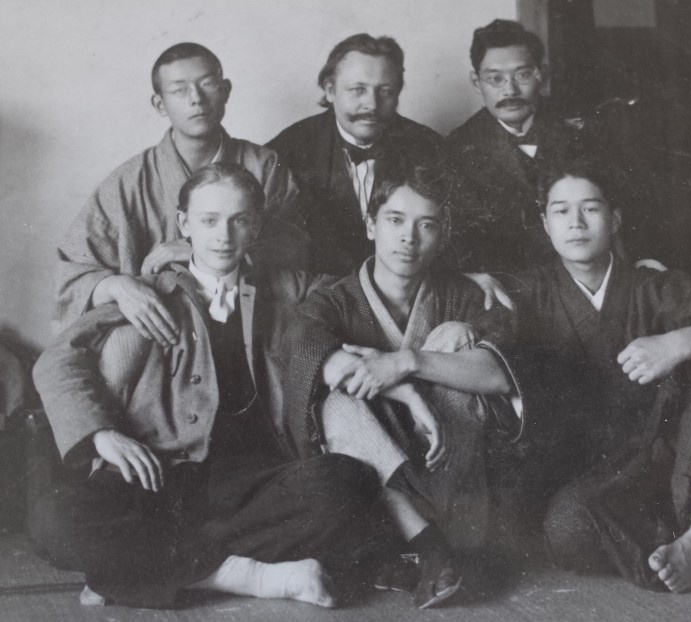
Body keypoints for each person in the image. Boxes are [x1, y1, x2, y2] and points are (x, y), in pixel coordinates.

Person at [31, 164, 379, 609]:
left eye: (239, 220)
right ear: (184, 224)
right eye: (209, 220)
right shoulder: (151, 293)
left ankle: (133, 572)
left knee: (347, 484)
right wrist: (101, 435)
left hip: (252, 481)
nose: (223, 236)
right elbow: (57, 358)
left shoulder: (287, 289)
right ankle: (246, 575)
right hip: (159, 474)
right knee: (52, 520)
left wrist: (461, 286)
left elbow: (363, 294)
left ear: (257, 227)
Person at [501, 160, 691, 593]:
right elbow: (488, 336)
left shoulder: (652, 286)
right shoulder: (527, 292)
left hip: (679, 449)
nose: (576, 223)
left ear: (615, 219)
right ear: (545, 223)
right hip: (604, 471)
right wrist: (461, 323)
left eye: (591, 208)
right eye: (561, 210)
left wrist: (679, 342)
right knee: (566, 527)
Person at [280, 164, 518, 608]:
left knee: (457, 343)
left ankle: (431, 546)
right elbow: (306, 349)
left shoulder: (464, 295)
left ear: (442, 235)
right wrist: (405, 393)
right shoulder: (335, 300)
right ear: (371, 225)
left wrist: (408, 362)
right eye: (394, 220)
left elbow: (499, 373)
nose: (409, 238)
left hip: (452, 481)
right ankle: (428, 547)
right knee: (334, 399)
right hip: (377, 490)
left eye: (426, 225)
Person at [56, 42, 305, 343]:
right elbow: (72, 275)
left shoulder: (265, 166)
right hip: (160, 339)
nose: (196, 99)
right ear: (160, 104)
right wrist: (116, 287)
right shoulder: (128, 182)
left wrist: (200, 252)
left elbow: (296, 251)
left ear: (226, 91)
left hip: (254, 330)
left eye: (207, 84)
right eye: (179, 90)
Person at [266, 34, 446, 276]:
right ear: (330, 90)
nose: (371, 105)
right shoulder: (286, 150)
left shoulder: (430, 148)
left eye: (385, 91)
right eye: (358, 90)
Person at [446, 19, 582, 272]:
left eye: (522, 75)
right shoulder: (458, 149)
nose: (510, 90)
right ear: (476, 82)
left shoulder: (580, 132)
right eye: (495, 78)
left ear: (542, 74)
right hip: (507, 281)